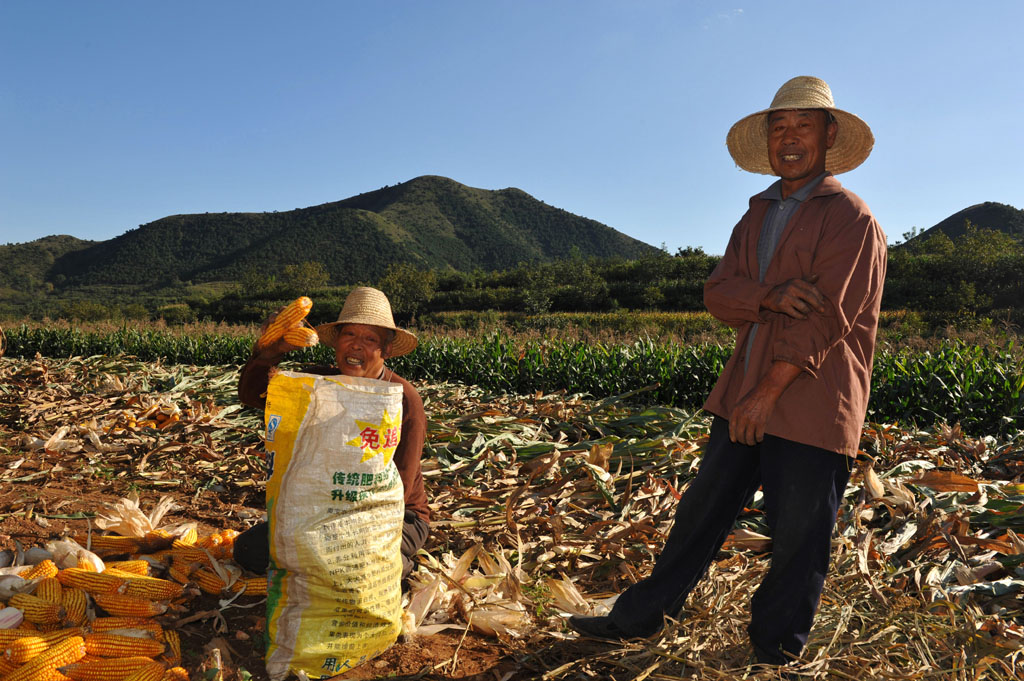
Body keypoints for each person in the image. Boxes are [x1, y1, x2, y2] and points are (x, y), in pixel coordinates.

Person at [567, 76, 887, 666]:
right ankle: (636, 619)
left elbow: (825, 321)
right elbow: (719, 294)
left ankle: (774, 654)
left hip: (811, 402)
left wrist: (767, 393)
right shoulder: (756, 216)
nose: (789, 139)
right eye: (779, 127)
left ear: (829, 135)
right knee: (699, 517)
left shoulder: (850, 219)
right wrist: (768, 295)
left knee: (798, 538)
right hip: (743, 395)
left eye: (803, 126)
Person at [234, 286, 430, 583]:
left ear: (386, 350)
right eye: (349, 335)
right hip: (323, 507)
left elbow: (399, 488)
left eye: (370, 339)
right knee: (249, 550)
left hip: (395, 516)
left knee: (355, 563)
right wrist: (270, 352)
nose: (356, 346)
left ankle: (396, 566)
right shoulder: (318, 384)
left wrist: (337, 530)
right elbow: (253, 394)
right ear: (337, 341)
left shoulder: (403, 398)